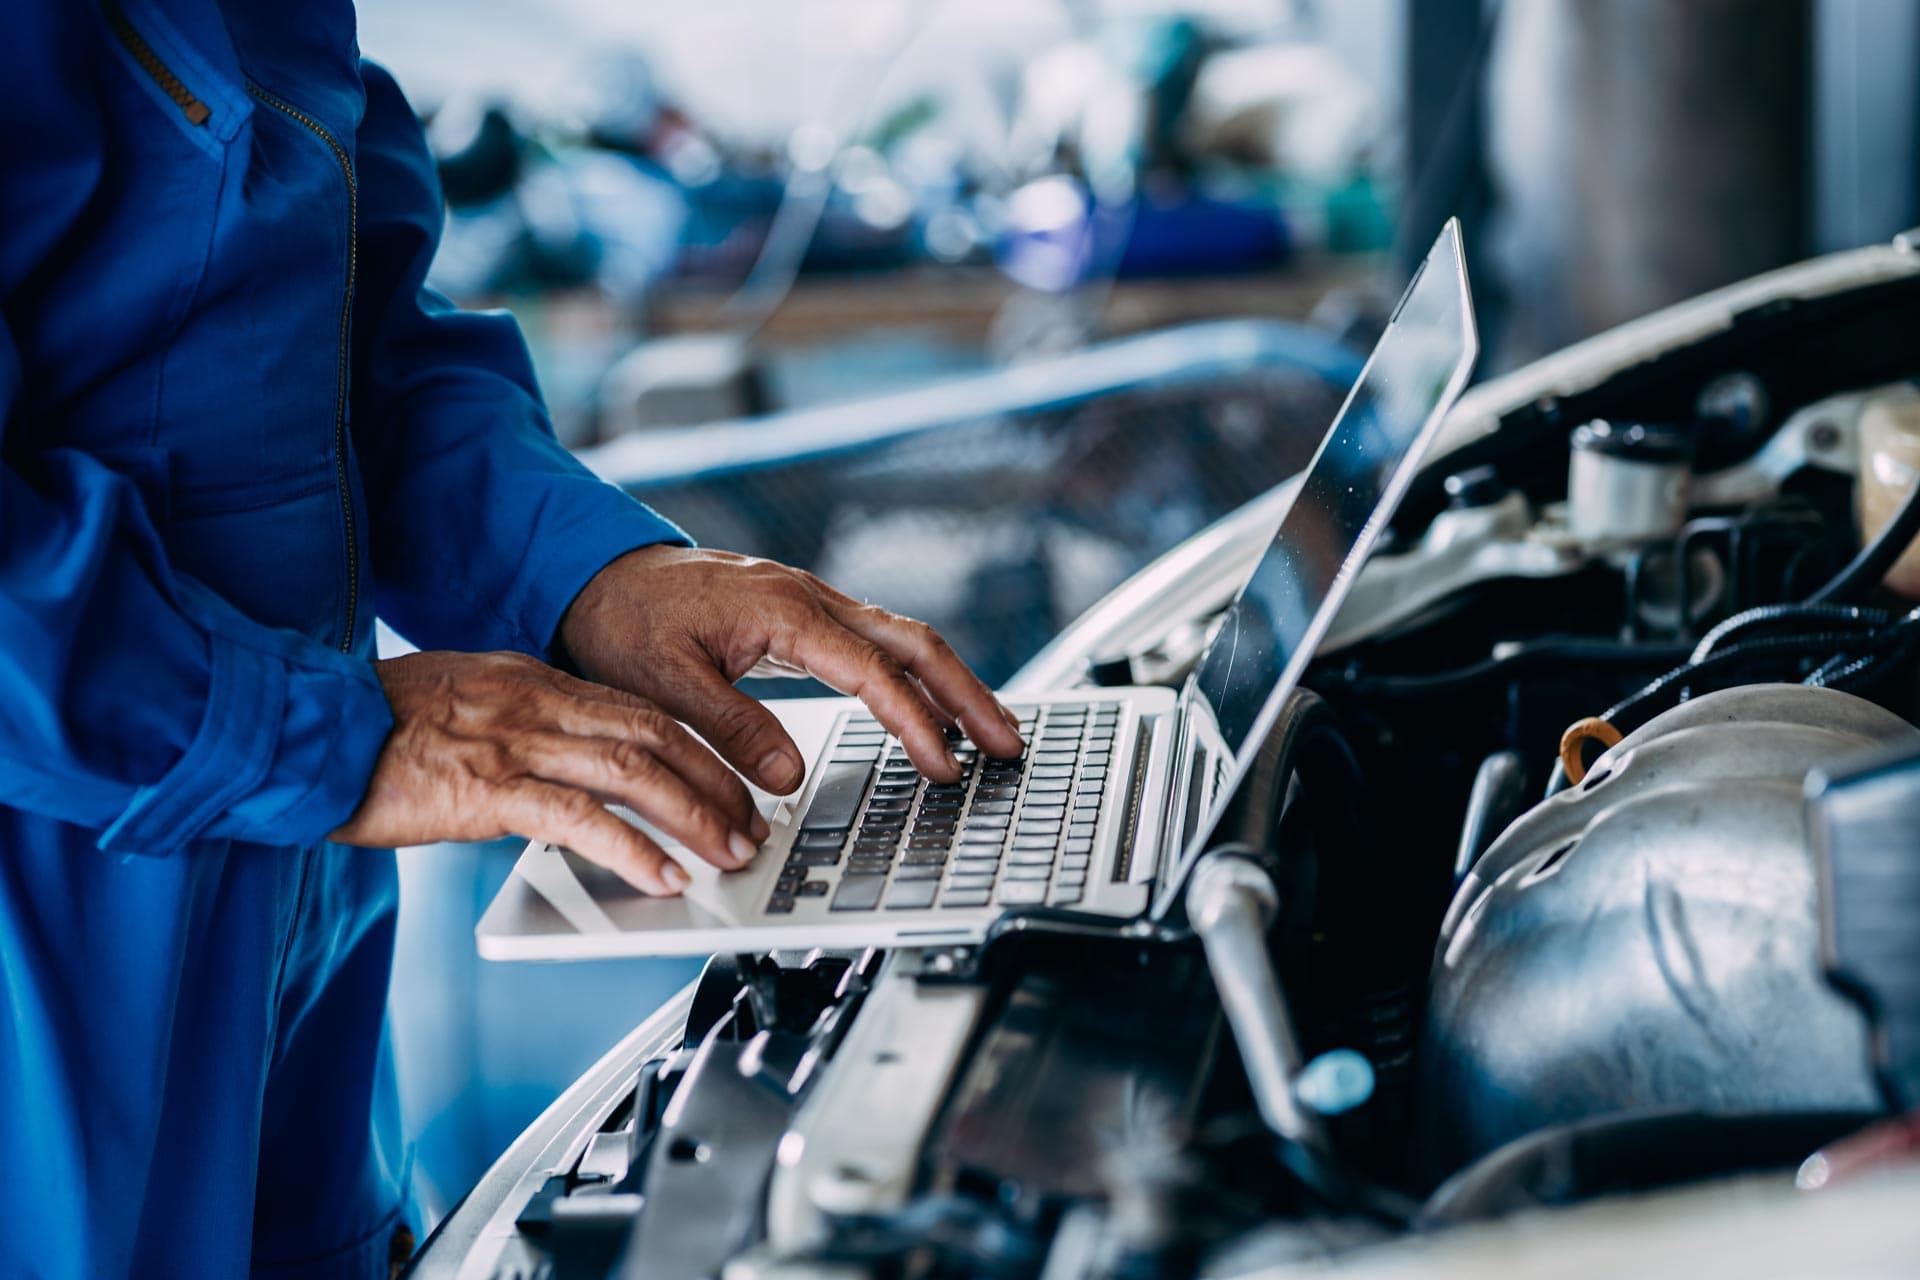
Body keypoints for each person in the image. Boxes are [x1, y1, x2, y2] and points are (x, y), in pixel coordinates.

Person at [0, 5, 1024, 1277]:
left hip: (284, 884)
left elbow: (340, 353)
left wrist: (594, 575)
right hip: (72, 874)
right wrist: (315, 732)